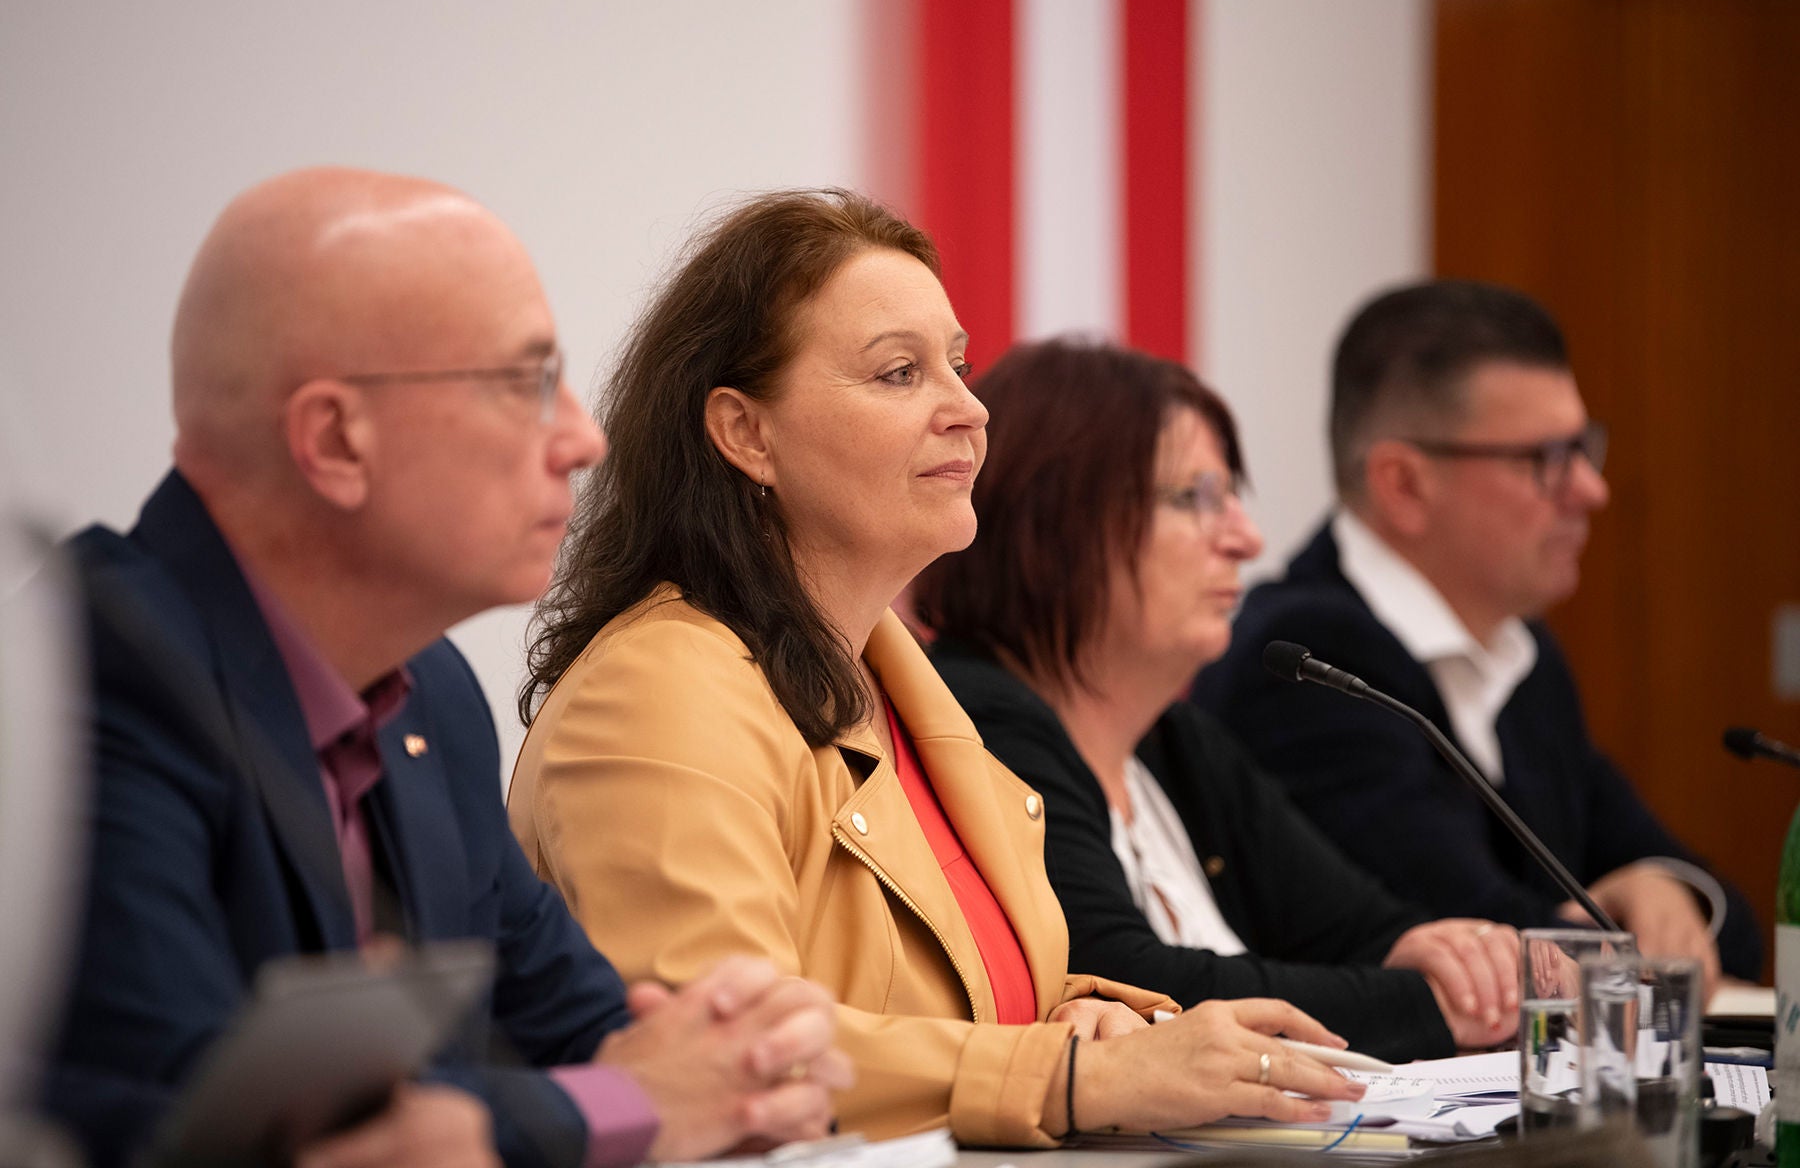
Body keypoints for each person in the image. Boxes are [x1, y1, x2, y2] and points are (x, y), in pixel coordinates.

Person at [508, 189, 1364, 1148]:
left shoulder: (895, 680)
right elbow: (728, 1055)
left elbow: (958, 994)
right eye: (900, 373)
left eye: (957, 366)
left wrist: (1094, 1014)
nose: (969, 409)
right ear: (746, 433)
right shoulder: (660, 691)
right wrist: (1074, 1073)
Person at [44, 167, 851, 1168]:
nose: (583, 439)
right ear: (337, 440)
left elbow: (592, 1033)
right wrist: (618, 1105)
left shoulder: (428, 694)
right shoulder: (90, 670)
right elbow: (199, 1125)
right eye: (526, 384)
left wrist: (742, 1060)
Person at [911, 337, 1519, 1064]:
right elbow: (1130, 982)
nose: (1246, 539)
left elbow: (1358, 928)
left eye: (1233, 497)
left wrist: (1439, 957)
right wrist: (1429, 1005)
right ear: (1056, 523)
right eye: (1194, 499)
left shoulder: (1176, 744)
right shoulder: (977, 722)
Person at [1193, 280, 1760, 985]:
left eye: (1585, 447)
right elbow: (1479, 953)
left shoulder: (1523, 655)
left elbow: (1733, 928)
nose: (1592, 490)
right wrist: (1630, 934)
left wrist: (1664, 889)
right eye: (1547, 459)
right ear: (1405, 484)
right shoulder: (1305, 665)